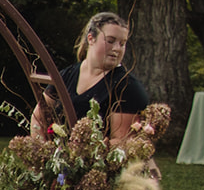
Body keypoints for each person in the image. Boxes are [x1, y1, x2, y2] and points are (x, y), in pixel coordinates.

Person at [30, 11, 150, 147]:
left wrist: (80, 156)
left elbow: (121, 142)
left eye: (122, 44)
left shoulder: (127, 87)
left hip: (99, 166)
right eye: (110, 41)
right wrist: (43, 152)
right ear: (91, 38)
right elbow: (38, 118)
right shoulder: (67, 75)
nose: (117, 48)